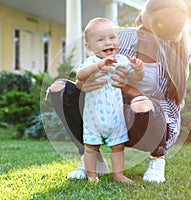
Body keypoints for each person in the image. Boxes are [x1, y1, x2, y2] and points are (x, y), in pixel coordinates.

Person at [48, 0, 191, 183]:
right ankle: (92, 159)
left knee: (143, 104)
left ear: (161, 34)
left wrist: (130, 89)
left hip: (145, 125)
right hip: (108, 112)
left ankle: (157, 159)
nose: (137, 22)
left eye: (144, 25)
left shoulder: (178, 57)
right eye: (141, 15)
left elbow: (170, 106)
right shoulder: (120, 38)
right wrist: (82, 84)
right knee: (60, 89)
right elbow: (90, 67)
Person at [76, 17, 144, 182]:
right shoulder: (91, 62)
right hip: (94, 119)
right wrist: (98, 66)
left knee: (118, 148)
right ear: (89, 46)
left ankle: (118, 175)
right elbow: (80, 75)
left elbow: (138, 77)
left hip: (115, 117)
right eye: (100, 39)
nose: (108, 42)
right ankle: (92, 175)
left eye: (112, 38)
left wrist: (138, 69)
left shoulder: (121, 60)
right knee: (91, 148)